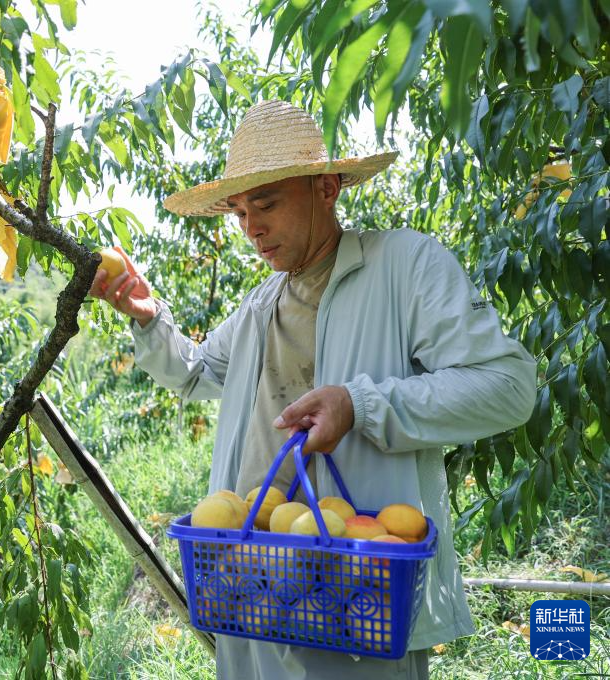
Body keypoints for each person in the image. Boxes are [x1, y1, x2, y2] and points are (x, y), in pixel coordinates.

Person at [87, 100, 538, 679]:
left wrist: (362, 404)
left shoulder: (404, 266)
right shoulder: (260, 305)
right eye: (240, 211)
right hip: (252, 577)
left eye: (267, 203)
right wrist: (148, 318)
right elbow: (197, 372)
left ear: (326, 187)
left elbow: (506, 386)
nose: (251, 226)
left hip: (359, 594)